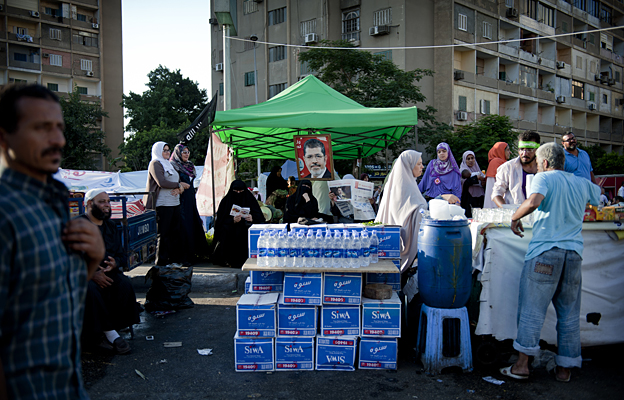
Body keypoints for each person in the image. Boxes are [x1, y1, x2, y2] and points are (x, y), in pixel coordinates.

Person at [0, 84, 105, 399]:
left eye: (59, 127)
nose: (58, 139)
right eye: (42, 128)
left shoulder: (52, 204)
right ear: (4, 138)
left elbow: (51, 295)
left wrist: (92, 260)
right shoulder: (6, 213)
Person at [501, 143, 600, 383]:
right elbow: (597, 198)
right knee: (568, 314)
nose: (535, 167)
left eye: (536, 163)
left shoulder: (543, 178)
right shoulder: (580, 182)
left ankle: (522, 365)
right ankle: (564, 369)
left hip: (545, 253)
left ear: (545, 163)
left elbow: (534, 201)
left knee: (532, 311)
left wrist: (514, 217)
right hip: (574, 255)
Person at [80, 189, 140, 355]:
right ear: (90, 204)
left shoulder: (111, 226)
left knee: (124, 285)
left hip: (107, 272)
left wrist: (115, 264)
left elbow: (121, 255)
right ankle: (108, 334)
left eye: (108, 201)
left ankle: (111, 329)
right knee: (91, 291)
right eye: (102, 202)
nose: (107, 205)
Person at [374, 150, 428, 275]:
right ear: (409, 166)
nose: (422, 167)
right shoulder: (406, 188)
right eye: (419, 164)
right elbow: (419, 209)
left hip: (390, 244)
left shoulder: (403, 183)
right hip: (401, 245)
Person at [144, 141, 187, 266]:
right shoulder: (155, 164)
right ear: (158, 151)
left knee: (175, 232)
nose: (167, 152)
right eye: (165, 150)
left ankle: (173, 260)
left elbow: (176, 180)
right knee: (163, 234)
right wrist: (179, 185)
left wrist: (179, 188)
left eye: (168, 150)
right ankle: (161, 262)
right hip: (163, 204)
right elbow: (161, 182)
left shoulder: (168, 164)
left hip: (174, 203)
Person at [169, 143, 210, 262]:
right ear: (178, 153)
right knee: (183, 226)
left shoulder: (190, 165)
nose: (187, 154)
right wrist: (179, 186)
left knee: (193, 224)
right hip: (180, 200)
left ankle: (194, 254)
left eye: (188, 152)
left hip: (191, 199)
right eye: (184, 152)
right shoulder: (173, 166)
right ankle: (184, 256)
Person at [211, 180, 264, 268]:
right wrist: (232, 220)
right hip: (231, 232)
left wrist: (252, 218)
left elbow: (260, 217)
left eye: (241, 191)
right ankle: (228, 260)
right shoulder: (226, 201)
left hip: (246, 229)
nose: (238, 193)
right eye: (236, 192)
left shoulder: (250, 199)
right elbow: (220, 220)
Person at [492, 131, 540, 207]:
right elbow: (496, 193)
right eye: (521, 149)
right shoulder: (508, 167)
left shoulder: (544, 168)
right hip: (515, 215)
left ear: (537, 150)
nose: (524, 153)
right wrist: (507, 212)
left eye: (529, 149)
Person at [484, 142, 511, 208]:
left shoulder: (499, 162)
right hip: (496, 201)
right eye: (507, 150)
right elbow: (492, 187)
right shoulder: (497, 162)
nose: (510, 152)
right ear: (501, 151)